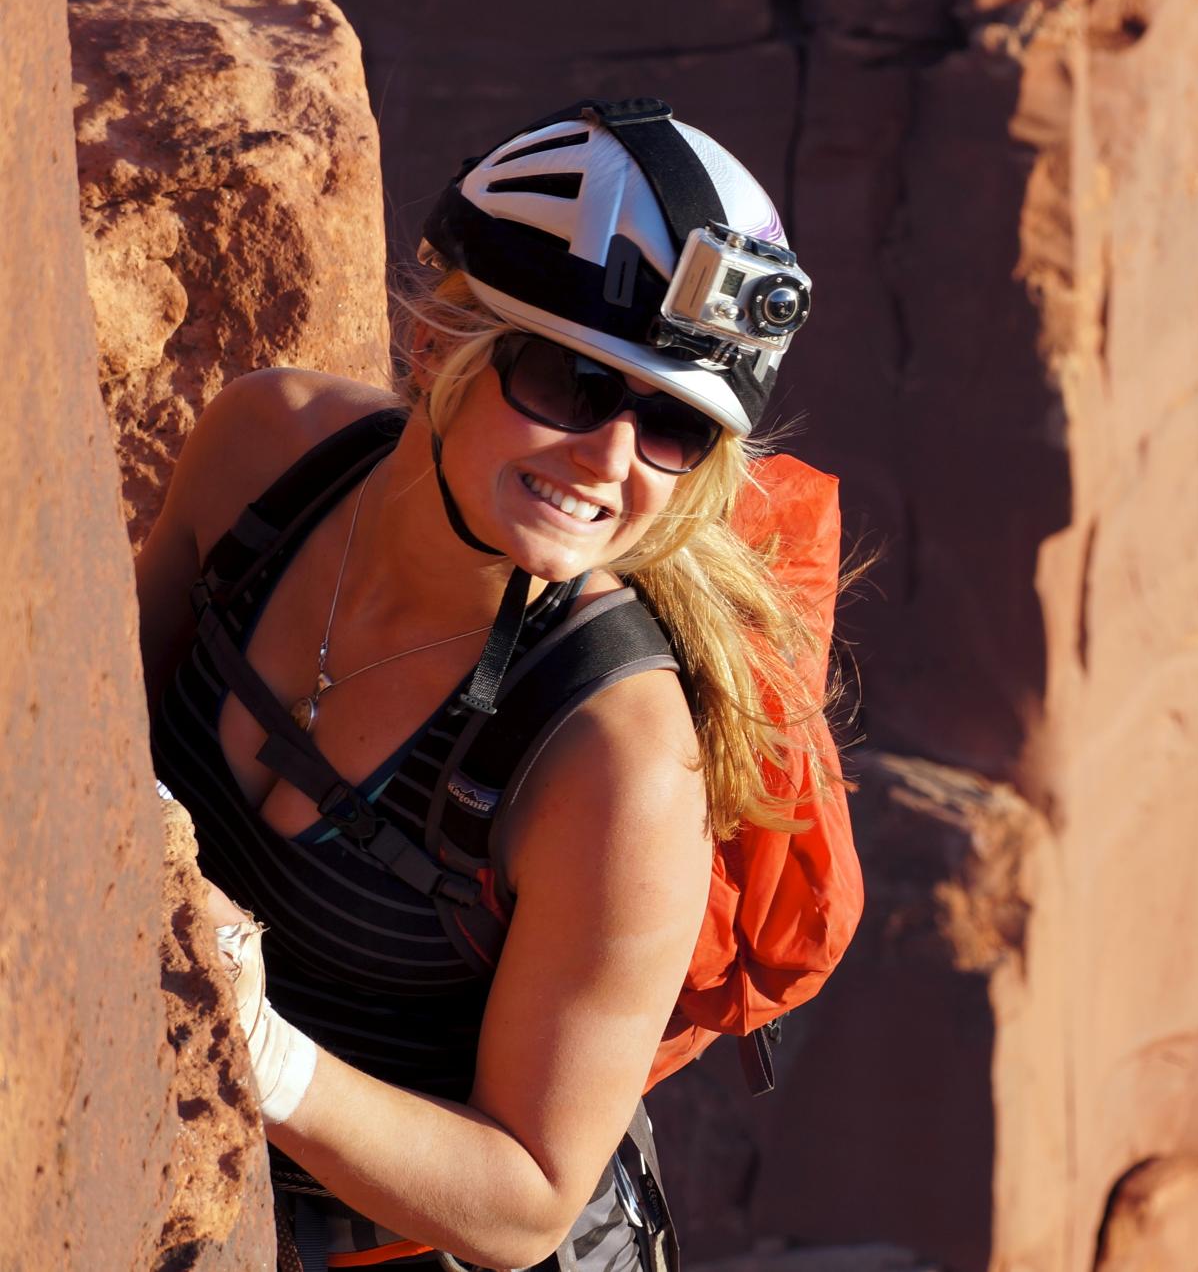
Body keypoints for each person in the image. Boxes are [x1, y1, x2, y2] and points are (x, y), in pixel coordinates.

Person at [137, 98, 831, 1271]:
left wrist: (264, 1054)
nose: (610, 461)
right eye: (568, 382)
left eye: (674, 426)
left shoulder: (614, 759)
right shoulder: (267, 454)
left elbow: (527, 1200)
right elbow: (101, 735)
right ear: (438, 350)